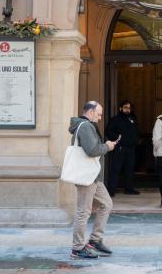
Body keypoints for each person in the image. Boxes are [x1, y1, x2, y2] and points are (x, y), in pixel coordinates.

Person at [67, 101, 118, 260]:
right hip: (86, 176)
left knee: (106, 204)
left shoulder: (85, 126)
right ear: (89, 112)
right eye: (98, 113)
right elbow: (93, 150)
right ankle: (77, 248)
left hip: (94, 176)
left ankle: (95, 240)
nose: (100, 117)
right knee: (84, 211)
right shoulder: (86, 126)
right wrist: (107, 146)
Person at [105, 100, 140, 196]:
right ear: (120, 108)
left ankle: (129, 189)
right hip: (119, 147)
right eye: (125, 107)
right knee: (116, 168)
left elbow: (136, 131)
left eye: (129, 108)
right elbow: (108, 131)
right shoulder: (115, 119)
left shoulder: (133, 119)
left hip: (131, 148)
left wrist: (136, 140)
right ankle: (111, 190)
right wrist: (118, 138)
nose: (127, 110)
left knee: (129, 168)